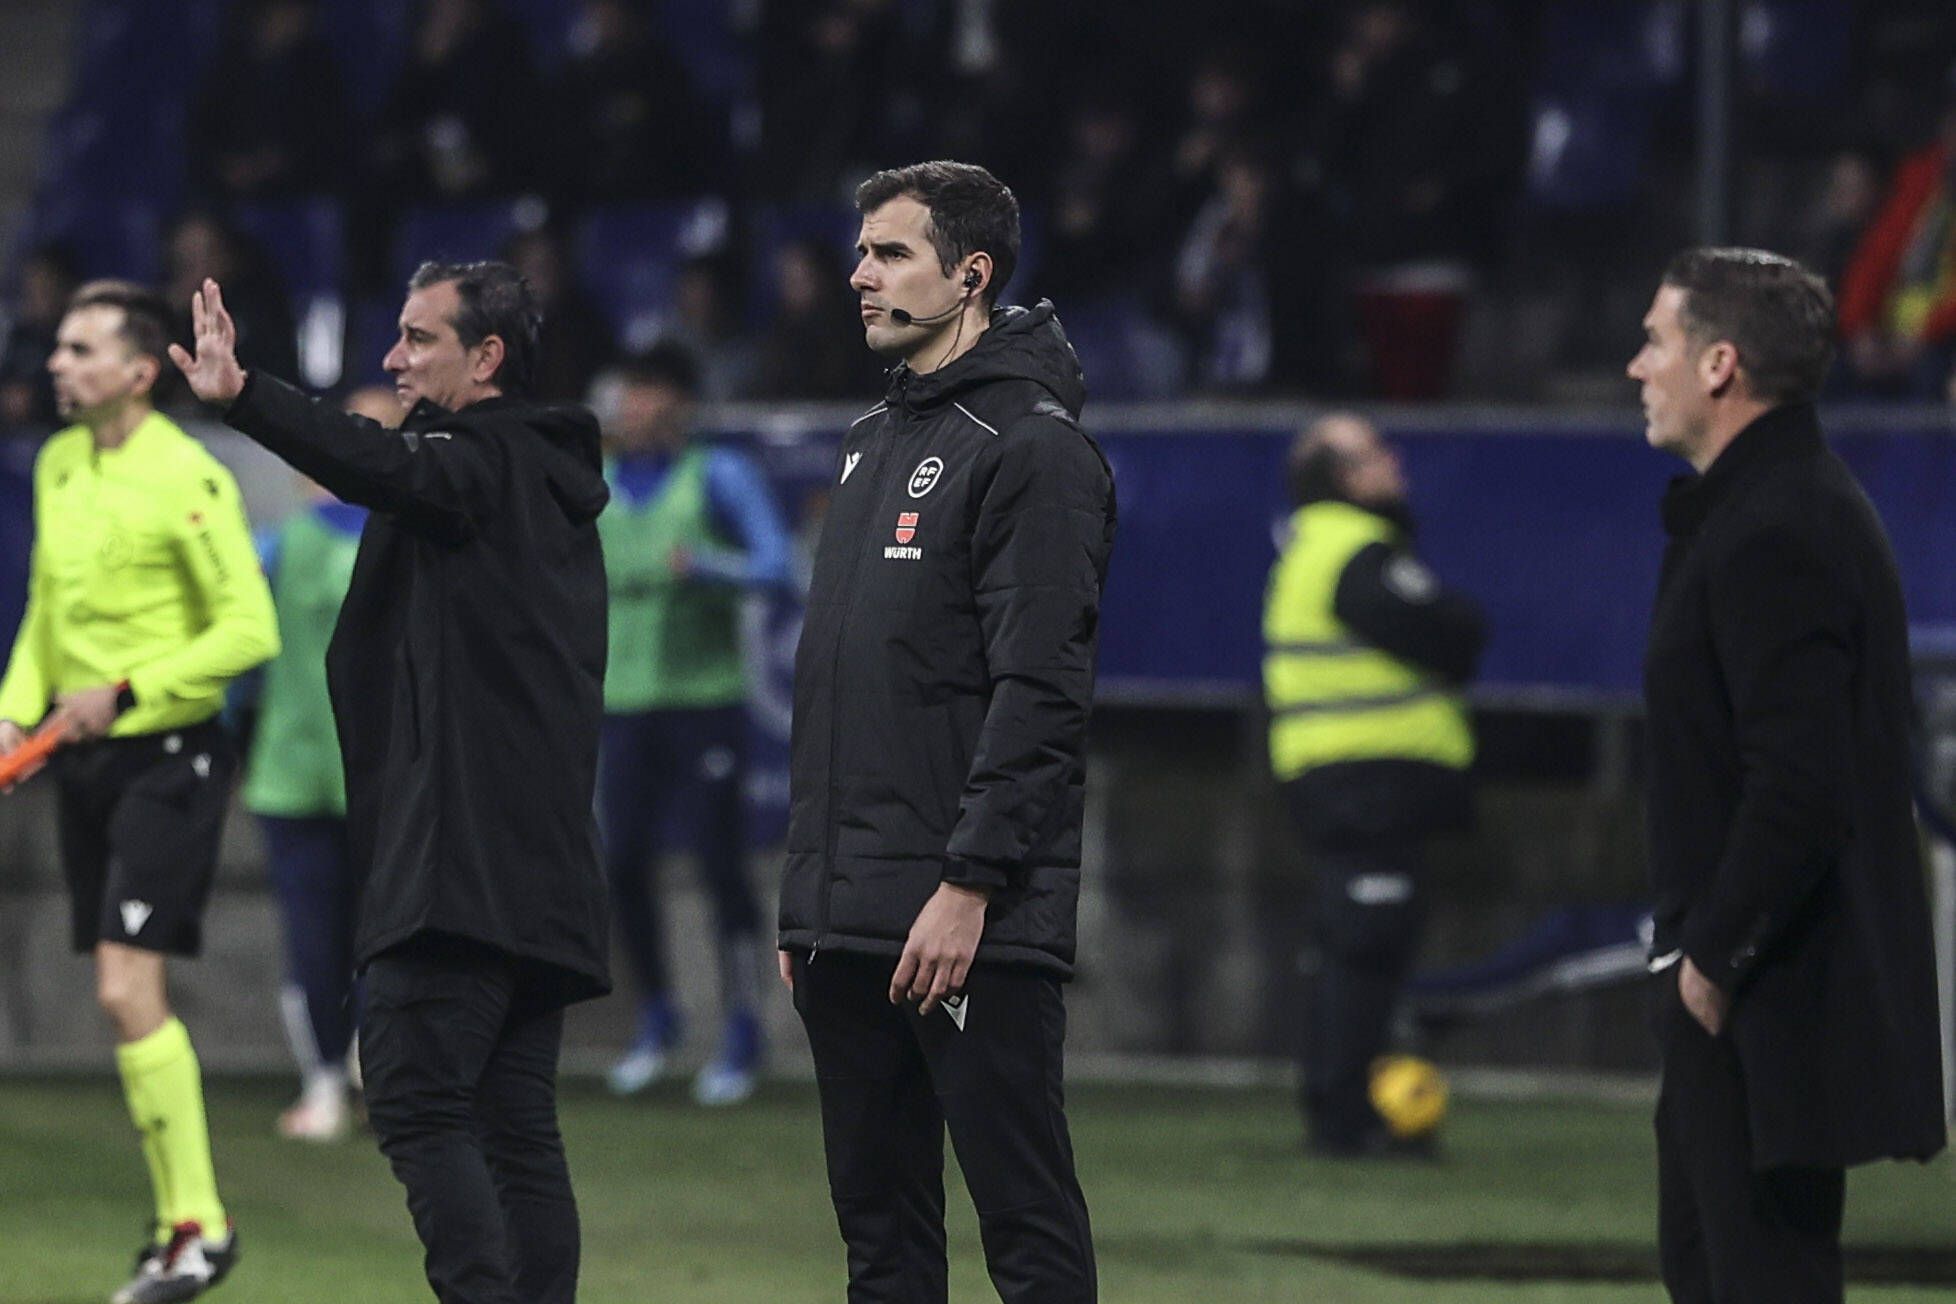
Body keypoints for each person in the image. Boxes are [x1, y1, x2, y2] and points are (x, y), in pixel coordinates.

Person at [171, 261, 612, 1304]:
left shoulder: (479, 460)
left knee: (413, 1098)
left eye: (417, 339)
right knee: (514, 1126)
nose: (392, 358)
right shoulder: (546, 484)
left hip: (460, 864)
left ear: (487, 358)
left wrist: (245, 397)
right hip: (538, 861)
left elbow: (384, 463)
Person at [778, 160, 1114, 1303]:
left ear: (969, 275)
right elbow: (847, 688)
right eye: (862, 250)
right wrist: (808, 893)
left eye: (891, 253)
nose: (860, 274)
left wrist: (970, 882)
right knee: (882, 1243)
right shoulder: (873, 435)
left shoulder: (1034, 445)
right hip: (852, 911)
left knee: (1026, 1228)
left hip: (969, 916)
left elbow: (1041, 691)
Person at [1627, 247, 1945, 1302]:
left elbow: (1801, 784)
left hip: (1767, 993)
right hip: (1742, 982)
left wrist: (1711, 963)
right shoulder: (1763, 507)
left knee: (1757, 1279)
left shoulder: (1781, 524)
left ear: (1720, 364)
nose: (1637, 366)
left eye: (1656, 341)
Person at [0, 280, 279, 1302]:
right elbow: (43, 608)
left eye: (79, 350)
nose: (56, 364)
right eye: (59, 347)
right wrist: (14, 707)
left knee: (126, 985)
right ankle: (179, 1232)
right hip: (82, 760)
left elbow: (251, 629)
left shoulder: (188, 474)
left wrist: (122, 692)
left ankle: (199, 1226)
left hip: (170, 756)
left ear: (139, 368)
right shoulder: (60, 462)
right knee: (122, 998)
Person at [1263, 411, 1484, 1156]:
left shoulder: (1313, 547)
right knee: (1367, 944)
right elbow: (1453, 632)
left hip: (1338, 776)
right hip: (1365, 780)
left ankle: (1345, 1107)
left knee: (1351, 945)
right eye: (1373, 453)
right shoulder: (1352, 549)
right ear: (1343, 476)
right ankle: (1349, 1119)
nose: (1392, 463)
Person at [595, 341, 791, 1105]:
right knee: (622, 867)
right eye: (627, 392)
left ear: (678, 401)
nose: (633, 407)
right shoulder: (597, 483)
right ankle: (657, 1018)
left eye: (649, 393)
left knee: (718, 864)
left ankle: (743, 1029)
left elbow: (779, 567)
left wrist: (710, 566)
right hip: (622, 704)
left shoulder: (718, 476)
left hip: (703, 701)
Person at [236, 386, 396, 1142]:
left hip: (381, 774)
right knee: (323, 936)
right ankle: (331, 1082)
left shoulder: (415, 538)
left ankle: (360, 1079)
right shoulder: (281, 545)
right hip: (302, 772)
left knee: (374, 935)